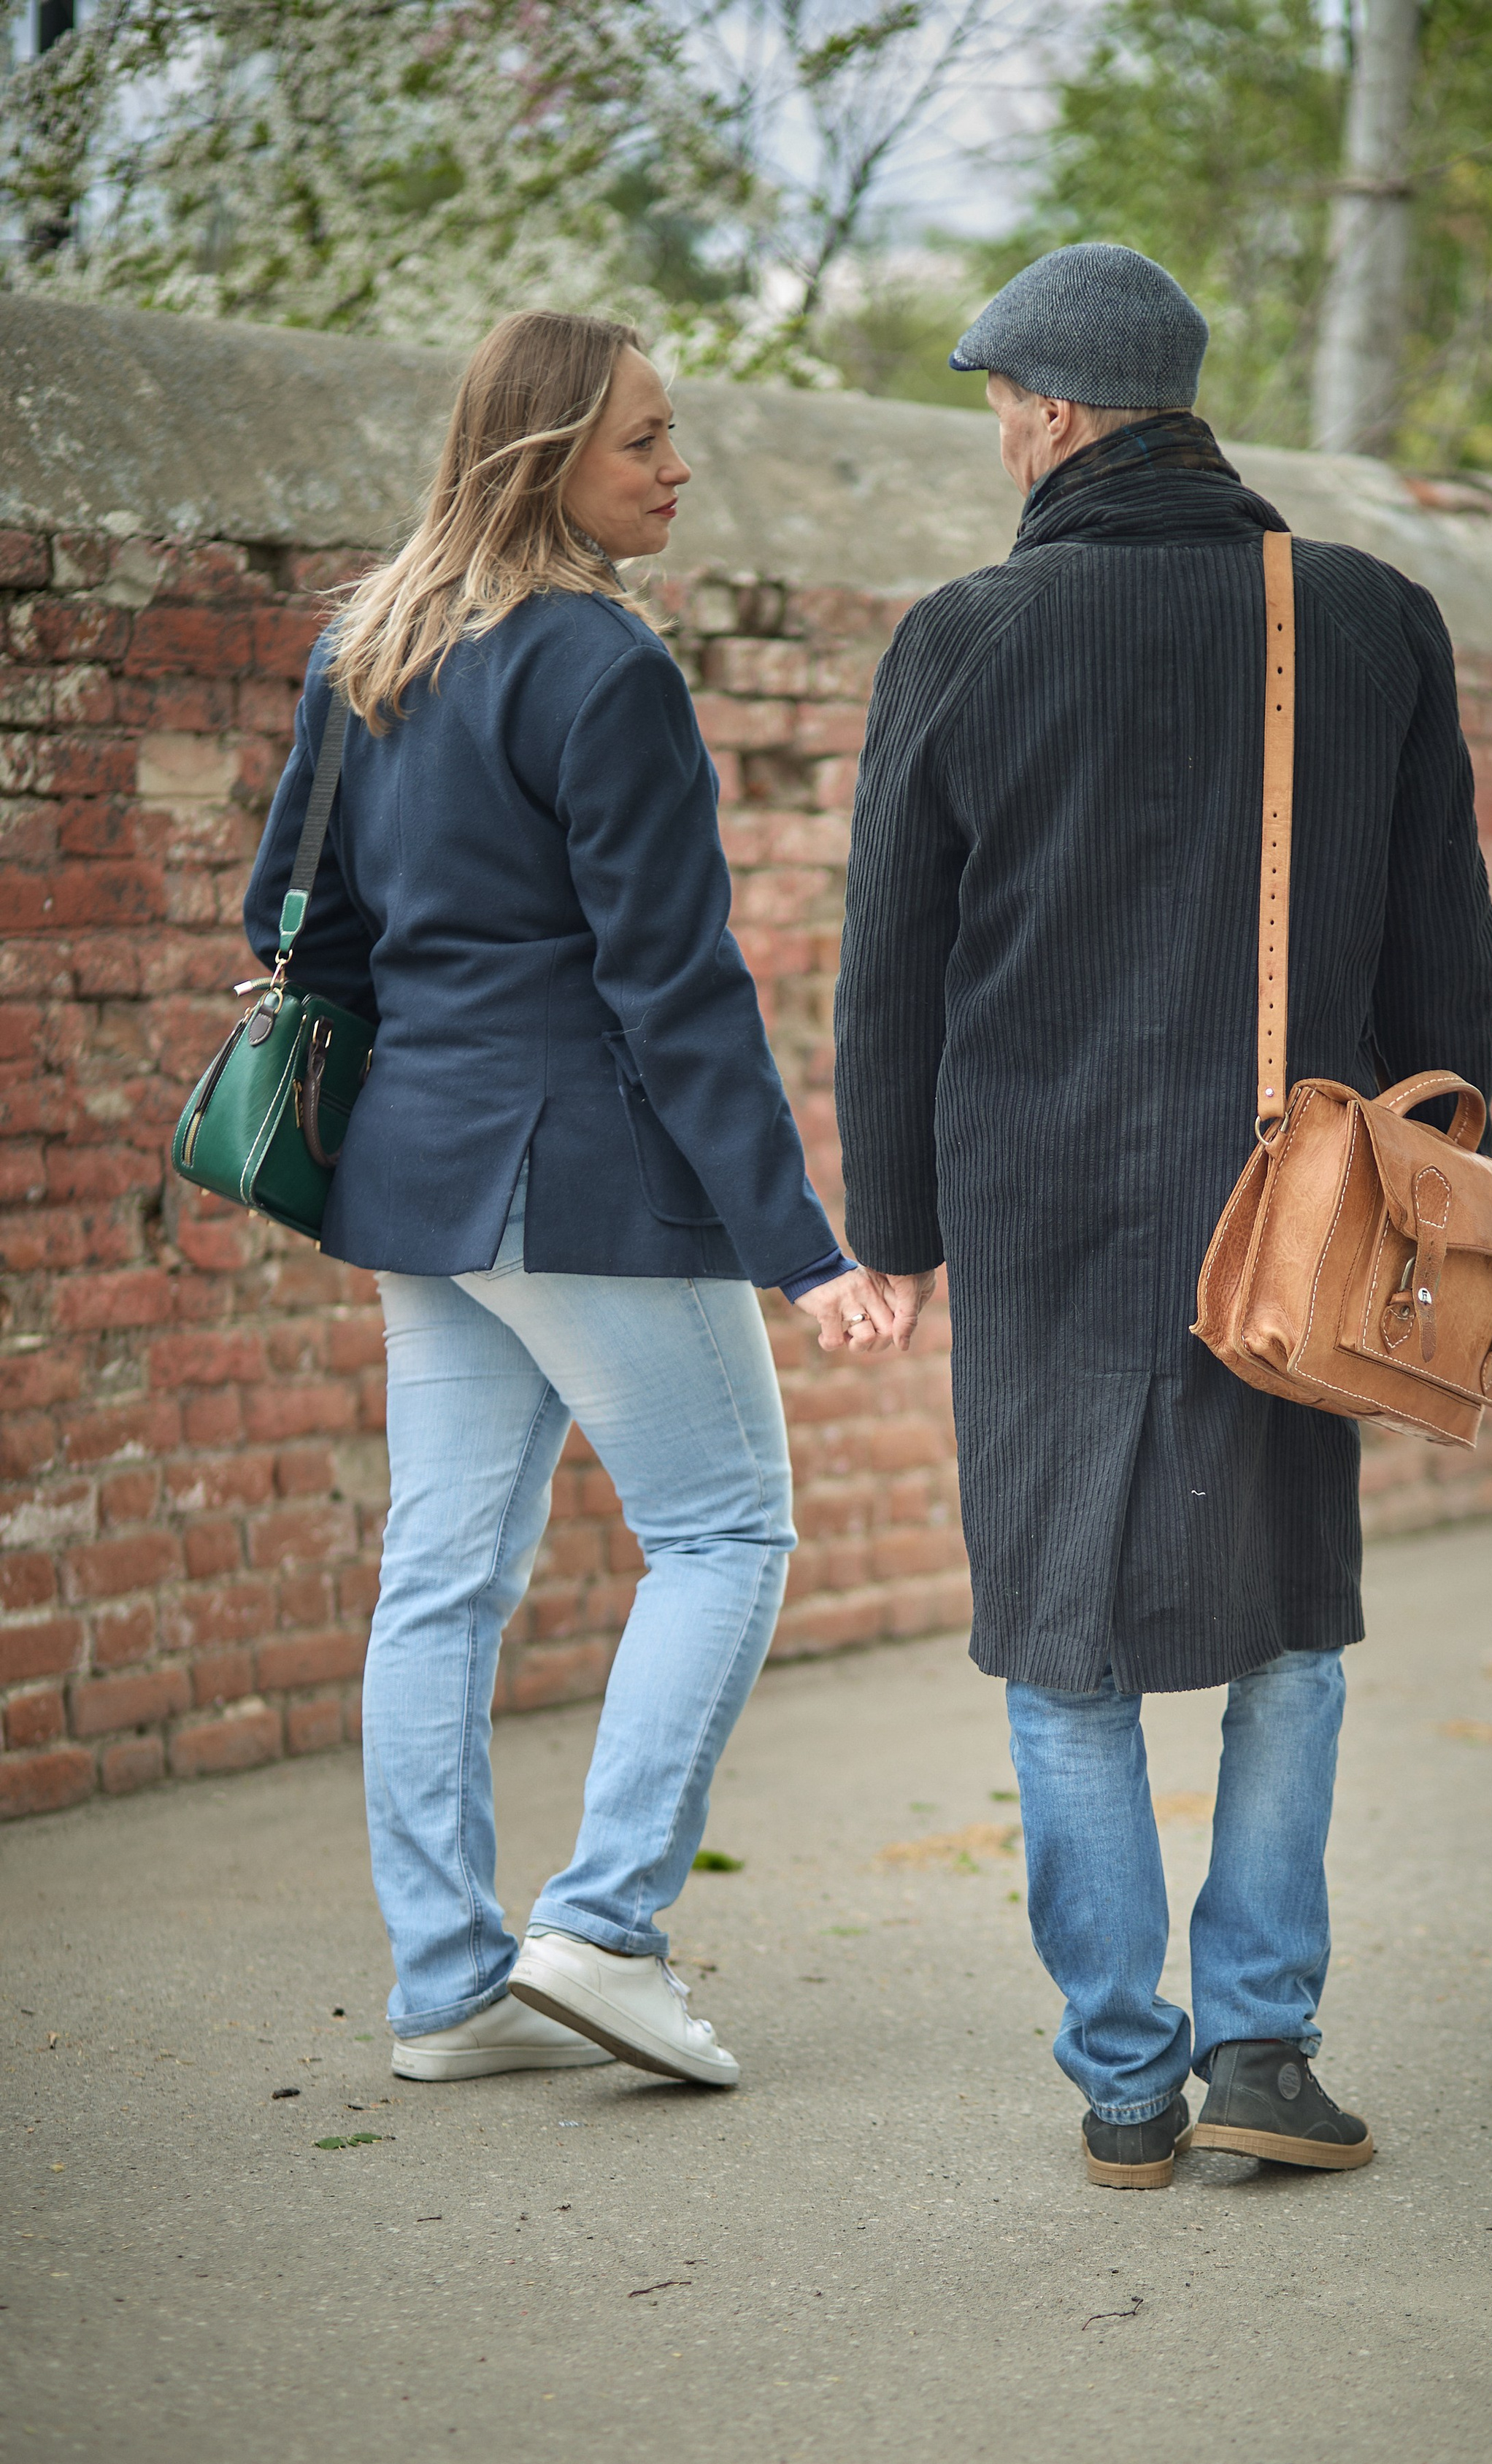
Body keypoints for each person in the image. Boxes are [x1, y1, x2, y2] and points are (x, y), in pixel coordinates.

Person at [834, 244, 1492, 2187]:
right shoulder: (1370, 619)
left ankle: (1128, 2083)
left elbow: (894, 973)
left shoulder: (965, 637)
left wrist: (894, 1229)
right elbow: (1446, 942)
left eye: (994, 406)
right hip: (1299, 1211)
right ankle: (1269, 2054)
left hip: (1037, 1207)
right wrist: (1430, 1203)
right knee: (1292, 1627)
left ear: (1045, 413)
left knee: (1066, 1644)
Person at [245, 310, 893, 2090]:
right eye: (644, 443)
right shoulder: (602, 668)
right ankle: (604, 1932)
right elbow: (675, 992)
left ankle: (448, 1991)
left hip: (411, 1174)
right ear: (546, 462)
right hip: (580, 1177)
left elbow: (294, 934)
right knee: (724, 1533)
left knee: (438, 1583)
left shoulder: (365, 647)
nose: (677, 468)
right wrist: (804, 1248)